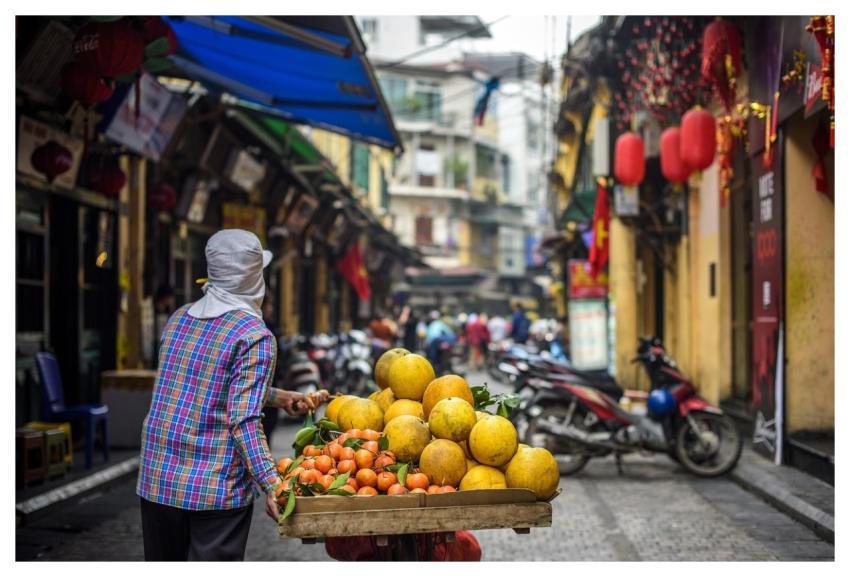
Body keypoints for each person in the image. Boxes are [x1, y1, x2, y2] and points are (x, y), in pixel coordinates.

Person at [137, 229, 316, 562]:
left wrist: (277, 397)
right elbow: (243, 418)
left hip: (157, 479)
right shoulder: (254, 335)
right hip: (213, 489)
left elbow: (203, 385)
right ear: (254, 279)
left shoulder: (179, 318)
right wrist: (272, 483)